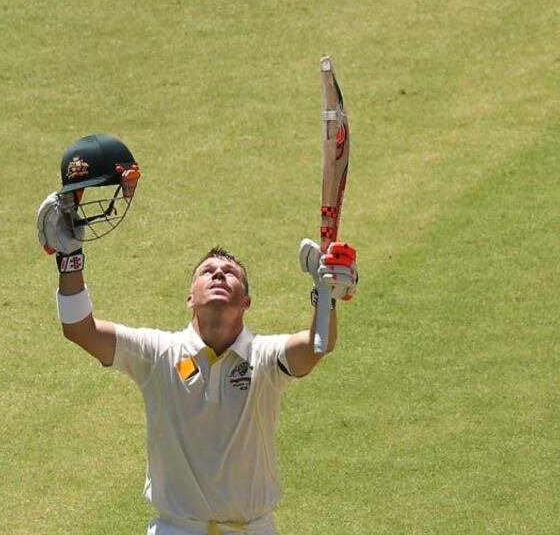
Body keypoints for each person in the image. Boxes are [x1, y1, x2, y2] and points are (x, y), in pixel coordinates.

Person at [37, 137, 358, 535]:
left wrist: (326, 297)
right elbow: (80, 330)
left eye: (230, 274)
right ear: (190, 298)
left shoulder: (264, 358)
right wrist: (70, 262)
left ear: (247, 301)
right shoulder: (157, 354)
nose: (219, 274)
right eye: (208, 272)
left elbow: (314, 346)